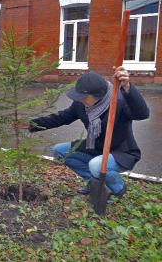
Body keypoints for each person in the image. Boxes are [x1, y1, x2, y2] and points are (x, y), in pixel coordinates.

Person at [13, 67, 149, 200]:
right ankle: (95, 184)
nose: (79, 99)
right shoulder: (81, 105)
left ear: (98, 96)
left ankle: (118, 188)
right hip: (95, 147)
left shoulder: (117, 102)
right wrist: (32, 124)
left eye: (84, 96)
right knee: (60, 151)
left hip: (121, 152)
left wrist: (127, 87)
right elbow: (61, 118)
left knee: (96, 165)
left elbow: (142, 114)